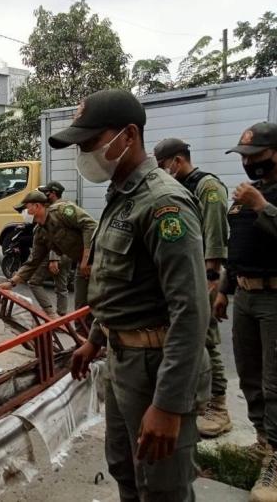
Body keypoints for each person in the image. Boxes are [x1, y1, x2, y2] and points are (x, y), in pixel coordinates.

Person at [60, 89, 208, 502]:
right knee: (126, 471)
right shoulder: (120, 196)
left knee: (162, 489)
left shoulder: (163, 203)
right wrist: (95, 340)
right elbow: (123, 289)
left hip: (157, 368)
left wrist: (169, 404)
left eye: (90, 142)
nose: (84, 152)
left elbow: (191, 310)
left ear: (128, 135)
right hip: (123, 363)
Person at [214, 122, 277, 502]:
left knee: (275, 382)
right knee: (250, 375)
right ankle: (262, 440)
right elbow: (237, 246)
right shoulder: (243, 197)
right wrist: (225, 289)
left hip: (275, 297)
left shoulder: (257, 197)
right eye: (244, 157)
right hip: (246, 295)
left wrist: (262, 206)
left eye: (256, 156)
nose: (248, 163)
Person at [154, 138, 232, 438]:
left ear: (177, 160)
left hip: (204, 274)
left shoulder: (207, 187)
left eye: (163, 165)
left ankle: (219, 406)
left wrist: (212, 276)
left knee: (207, 338)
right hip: (185, 274)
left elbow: (215, 234)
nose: (162, 170)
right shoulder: (180, 186)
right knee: (188, 339)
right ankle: (198, 397)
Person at [0, 183, 97, 321]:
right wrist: (11, 283)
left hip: (100, 258)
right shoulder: (40, 232)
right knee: (81, 308)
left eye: (26, 208)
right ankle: (83, 340)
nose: (24, 213)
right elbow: (34, 261)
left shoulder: (62, 211)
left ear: (37, 206)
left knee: (103, 305)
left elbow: (90, 225)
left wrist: (87, 259)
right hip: (82, 265)